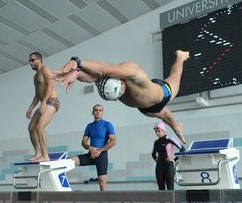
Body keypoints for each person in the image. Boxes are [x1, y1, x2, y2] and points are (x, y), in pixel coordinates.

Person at [53, 50, 190, 144]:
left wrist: (77, 62)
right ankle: (175, 125)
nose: (119, 97)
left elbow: (103, 68)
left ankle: (180, 56)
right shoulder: (105, 83)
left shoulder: (130, 71)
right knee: (165, 116)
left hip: (161, 93)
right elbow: (91, 77)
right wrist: (76, 73)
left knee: (175, 76)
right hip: (146, 108)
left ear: (120, 82)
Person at [71, 104, 116, 191]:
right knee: (69, 161)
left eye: (100, 110)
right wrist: (90, 148)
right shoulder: (89, 126)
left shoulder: (107, 124)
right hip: (91, 154)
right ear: (92, 112)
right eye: (96, 110)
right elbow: (83, 142)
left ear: (102, 112)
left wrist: (100, 150)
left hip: (102, 156)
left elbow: (113, 141)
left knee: (102, 182)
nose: (98, 112)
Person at [26, 52, 60, 162]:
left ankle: (45, 155)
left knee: (39, 126)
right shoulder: (35, 76)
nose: (31, 62)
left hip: (52, 101)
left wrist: (44, 103)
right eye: (29, 61)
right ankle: (38, 153)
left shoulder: (45, 69)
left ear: (39, 60)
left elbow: (50, 85)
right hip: (44, 102)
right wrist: (30, 108)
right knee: (31, 127)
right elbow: (37, 95)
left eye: (33, 60)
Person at [152, 121, 185, 192]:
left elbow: (182, 149)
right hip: (159, 167)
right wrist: (157, 160)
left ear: (163, 130)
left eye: (158, 131)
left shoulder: (170, 139)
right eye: (156, 131)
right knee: (161, 189)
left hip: (168, 166)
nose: (157, 133)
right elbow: (153, 154)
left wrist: (174, 160)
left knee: (170, 188)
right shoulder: (156, 142)